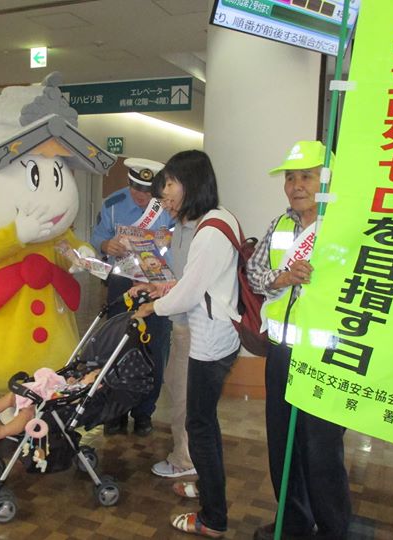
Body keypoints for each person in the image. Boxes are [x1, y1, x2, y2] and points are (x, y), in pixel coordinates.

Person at [132, 150, 240, 538]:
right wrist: (164, 288)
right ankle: (208, 488)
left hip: (209, 341)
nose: (165, 196)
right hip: (219, 334)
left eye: (170, 185)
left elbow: (191, 294)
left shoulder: (208, 233)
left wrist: (153, 306)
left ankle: (213, 517)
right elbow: (198, 282)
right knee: (204, 422)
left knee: (200, 425)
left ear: (192, 182)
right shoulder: (220, 218)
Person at [247, 140, 351, 540]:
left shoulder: (345, 227)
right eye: (290, 178)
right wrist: (281, 277)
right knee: (283, 442)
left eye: (306, 176)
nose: (296, 185)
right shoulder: (280, 225)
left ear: (327, 180)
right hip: (282, 353)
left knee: (322, 448)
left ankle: (333, 529)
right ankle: (292, 521)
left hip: (326, 355)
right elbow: (255, 274)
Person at [90, 157, 174, 436]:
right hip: (122, 283)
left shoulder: (168, 207)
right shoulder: (113, 204)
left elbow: (180, 241)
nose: (141, 196)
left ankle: (144, 413)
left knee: (155, 349)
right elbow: (97, 237)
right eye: (137, 189)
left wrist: (166, 240)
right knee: (117, 345)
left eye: (147, 192)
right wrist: (106, 244)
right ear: (129, 183)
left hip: (157, 285)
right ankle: (115, 412)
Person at [149, 175, 197, 479]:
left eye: (169, 199)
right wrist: (154, 286)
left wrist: (154, 305)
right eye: (162, 200)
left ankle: (185, 460)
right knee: (175, 383)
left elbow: (190, 287)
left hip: (194, 327)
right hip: (181, 323)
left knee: (183, 396)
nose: (166, 206)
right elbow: (179, 278)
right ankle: (187, 454)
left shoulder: (201, 231)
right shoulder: (180, 228)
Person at [0, 367, 100, 439]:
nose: (86, 374)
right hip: (42, 396)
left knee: (27, 413)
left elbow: (72, 399)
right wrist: (69, 383)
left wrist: (76, 389)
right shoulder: (78, 385)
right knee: (14, 394)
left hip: (48, 409)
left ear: (97, 385)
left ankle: (3, 431)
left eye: (91, 374)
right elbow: (60, 386)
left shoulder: (84, 393)